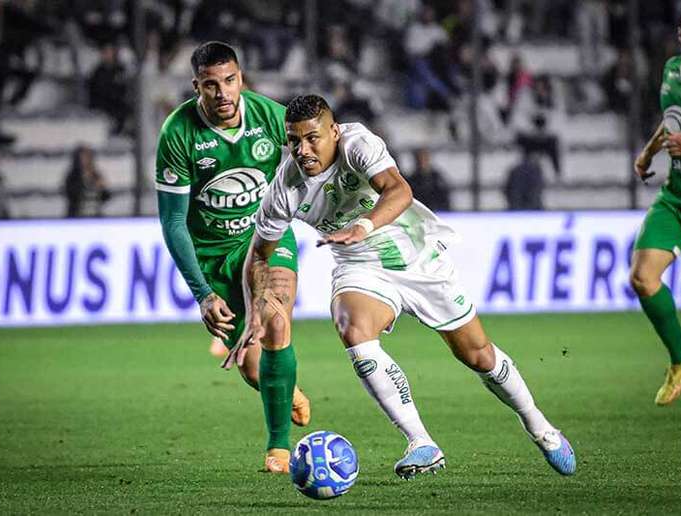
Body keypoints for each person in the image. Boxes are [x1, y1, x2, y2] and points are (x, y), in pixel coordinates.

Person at [239, 94, 576, 479]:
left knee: (478, 355)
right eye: (294, 141)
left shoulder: (358, 144)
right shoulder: (285, 186)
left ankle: (540, 428)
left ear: (334, 131)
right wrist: (253, 312)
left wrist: (363, 225)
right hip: (359, 264)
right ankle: (420, 442)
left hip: (415, 256)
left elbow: (399, 190)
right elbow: (260, 255)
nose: (303, 150)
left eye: (312, 138)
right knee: (353, 329)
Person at [154, 41, 310, 473]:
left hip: (265, 239)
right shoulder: (178, 133)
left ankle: (278, 449)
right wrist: (203, 294)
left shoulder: (268, 116)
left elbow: (318, 151)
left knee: (276, 322)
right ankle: (283, 386)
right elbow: (172, 223)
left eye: (229, 81)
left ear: (241, 78)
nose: (222, 93)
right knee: (251, 364)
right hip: (212, 256)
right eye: (210, 85)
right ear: (196, 87)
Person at [631, 1, 681, 406]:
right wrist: (648, 153)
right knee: (643, 277)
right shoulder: (671, 70)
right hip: (678, 197)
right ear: (680, 30)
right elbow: (673, 120)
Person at [64, 145, 110, 217]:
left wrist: (102, 188)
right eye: (84, 157)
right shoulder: (73, 176)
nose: (87, 159)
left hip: (95, 215)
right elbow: (70, 194)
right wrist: (86, 182)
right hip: (78, 215)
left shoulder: (96, 174)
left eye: (89, 156)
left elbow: (106, 197)